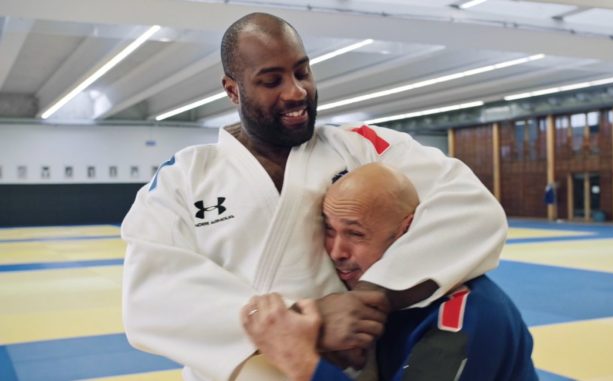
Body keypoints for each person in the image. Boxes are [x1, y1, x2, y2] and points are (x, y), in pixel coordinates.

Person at [121, 12, 507, 381]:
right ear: (232, 90)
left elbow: (470, 206)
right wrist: (306, 322)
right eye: (271, 81)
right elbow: (151, 293)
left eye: (302, 72)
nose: (296, 91)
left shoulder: (361, 147)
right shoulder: (185, 176)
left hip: (352, 371)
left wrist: (374, 296)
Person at [242, 163, 537, 381]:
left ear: (405, 232)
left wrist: (300, 361)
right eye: (330, 230)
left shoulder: (464, 317)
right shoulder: (369, 301)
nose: (336, 252)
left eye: (355, 234)